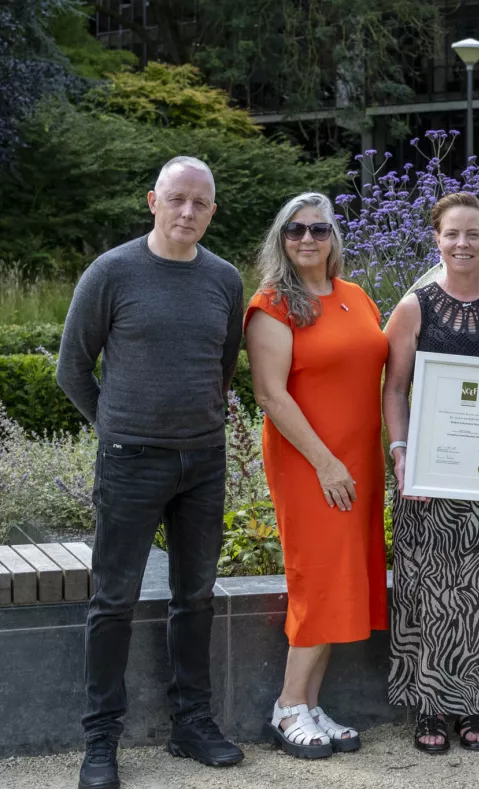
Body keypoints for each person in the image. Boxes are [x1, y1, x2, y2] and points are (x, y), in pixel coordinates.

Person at [57, 156, 245, 789]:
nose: (187, 212)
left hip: (203, 462)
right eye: (177, 199)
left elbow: (221, 367)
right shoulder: (112, 272)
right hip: (130, 461)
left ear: (212, 211)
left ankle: (191, 724)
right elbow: (72, 369)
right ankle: (100, 740)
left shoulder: (223, 279)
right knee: (113, 601)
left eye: (200, 203)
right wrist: (114, 426)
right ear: (153, 201)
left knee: (195, 597)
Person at [384, 192, 479, 754]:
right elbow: (395, 389)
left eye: (473, 234)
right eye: (452, 234)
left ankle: (478, 704)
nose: (462, 243)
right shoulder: (413, 308)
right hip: (428, 472)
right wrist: (401, 450)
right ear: (436, 239)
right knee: (430, 588)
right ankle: (427, 705)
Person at [244, 193, 388, 758]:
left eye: (319, 229)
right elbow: (269, 394)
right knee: (319, 578)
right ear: (281, 239)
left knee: (341, 578)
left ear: (334, 237)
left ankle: (307, 702)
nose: (308, 239)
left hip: (360, 464)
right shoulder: (273, 304)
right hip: (312, 465)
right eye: (295, 230)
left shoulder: (355, 297)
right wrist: (326, 462)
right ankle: (285, 708)